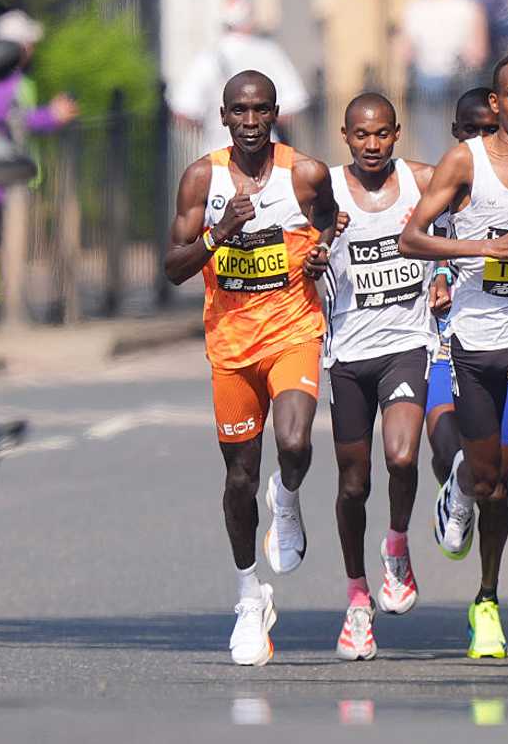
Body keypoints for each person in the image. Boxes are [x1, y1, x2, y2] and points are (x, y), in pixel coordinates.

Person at [399, 53, 508, 658]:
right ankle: (484, 595)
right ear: (496, 104)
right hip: (476, 342)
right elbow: (412, 237)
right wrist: (488, 247)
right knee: (488, 483)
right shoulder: (465, 162)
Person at [163, 70, 341, 666]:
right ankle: (248, 595)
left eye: (260, 110)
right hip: (231, 346)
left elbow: (330, 220)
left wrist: (319, 253)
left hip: (293, 329)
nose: (249, 121)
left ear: (275, 114)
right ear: (223, 116)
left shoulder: (304, 172)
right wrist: (221, 232)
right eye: (239, 111)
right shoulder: (202, 178)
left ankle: (286, 498)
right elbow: (172, 266)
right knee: (238, 476)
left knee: (294, 443)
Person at [323, 93, 438, 661]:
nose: (372, 145)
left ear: (397, 133)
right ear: (345, 136)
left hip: (406, 345)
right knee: (352, 484)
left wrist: (445, 276)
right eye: (361, 136)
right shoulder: (326, 190)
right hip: (347, 354)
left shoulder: (423, 182)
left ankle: (396, 543)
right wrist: (319, 247)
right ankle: (357, 596)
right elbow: (297, 246)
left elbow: (474, 216)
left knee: (401, 457)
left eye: (382, 135)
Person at [425, 86, 508, 660]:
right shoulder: (434, 187)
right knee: (447, 449)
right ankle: (455, 484)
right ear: (456, 132)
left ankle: (487, 601)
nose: (480, 139)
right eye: (470, 129)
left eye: (490, 128)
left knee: (498, 484)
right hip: (443, 346)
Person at [0, 9, 77, 315]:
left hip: (1, 181)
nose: (30, 50)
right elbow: (0, 120)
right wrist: (49, 116)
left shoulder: (10, 78)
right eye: (25, 44)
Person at [167, 0, 309, 155]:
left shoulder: (208, 57)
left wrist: (214, 123)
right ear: (251, 20)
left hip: (219, 154)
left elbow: (184, 110)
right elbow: (292, 104)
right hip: (267, 155)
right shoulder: (269, 53)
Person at [396, 0, 488, 165]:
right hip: (459, 76)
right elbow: (478, 52)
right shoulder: (469, 6)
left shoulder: (415, 7)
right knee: (466, 129)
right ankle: (463, 167)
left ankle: (436, 168)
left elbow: (405, 50)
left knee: (430, 131)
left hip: (426, 75)